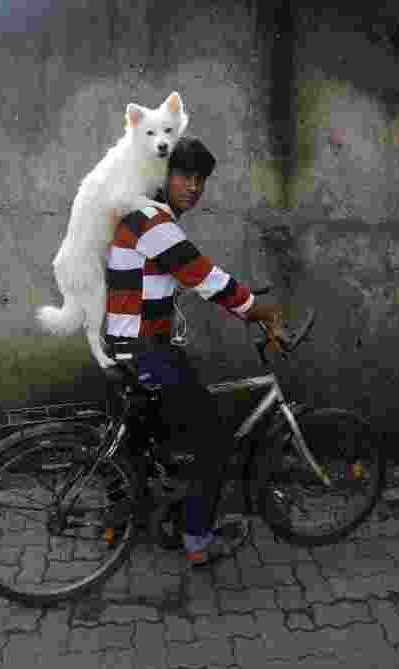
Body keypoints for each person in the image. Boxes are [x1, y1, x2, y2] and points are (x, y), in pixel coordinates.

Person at [104, 136, 285, 565]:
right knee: (214, 438)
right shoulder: (153, 219)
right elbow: (202, 276)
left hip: (130, 344)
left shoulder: (143, 215)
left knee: (143, 438)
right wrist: (260, 310)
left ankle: (121, 520)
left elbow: (171, 277)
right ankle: (197, 538)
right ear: (162, 176)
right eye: (184, 176)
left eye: (201, 179)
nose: (194, 187)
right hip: (145, 350)